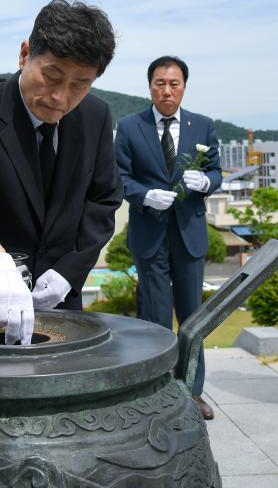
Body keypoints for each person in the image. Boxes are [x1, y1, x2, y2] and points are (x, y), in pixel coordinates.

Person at [0, 0, 123, 345]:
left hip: (60, 302)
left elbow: (104, 199)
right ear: (24, 54)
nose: (60, 97)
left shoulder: (96, 116)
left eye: (80, 84)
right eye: (52, 76)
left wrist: (69, 272)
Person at [114, 56, 222, 420]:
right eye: (160, 83)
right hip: (149, 231)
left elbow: (216, 171)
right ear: (150, 86)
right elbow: (119, 177)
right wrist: (144, 195)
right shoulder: (130, 127)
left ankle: (193, 391)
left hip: (189, 233)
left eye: (174, 83)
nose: (167, 90)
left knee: (193, 317)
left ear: (184, 86)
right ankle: (155, 390)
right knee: (154, 316)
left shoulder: (203, 126)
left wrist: (207, 183)